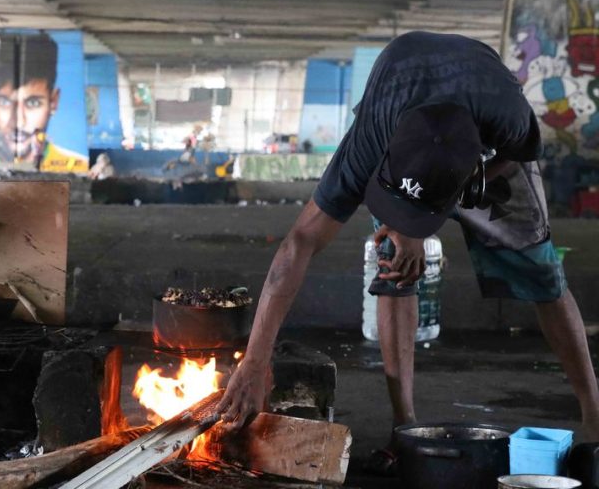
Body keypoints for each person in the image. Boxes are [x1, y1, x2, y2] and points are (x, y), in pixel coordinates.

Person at [217, 32, 599, 468]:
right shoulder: (370, 143)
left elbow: (520, 152)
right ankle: (405, 428)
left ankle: (595, 414)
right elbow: (299, 242)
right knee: (395, 265)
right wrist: (254, 359)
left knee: (542, 274)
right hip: (403, 102)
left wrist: (459, 192)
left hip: (484, 143)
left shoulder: (507, 113)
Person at [0, 33, 88, 172]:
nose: (19, 122)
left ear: (53, 102)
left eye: (33, 103)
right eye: (4, 102)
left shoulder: (76, 167)